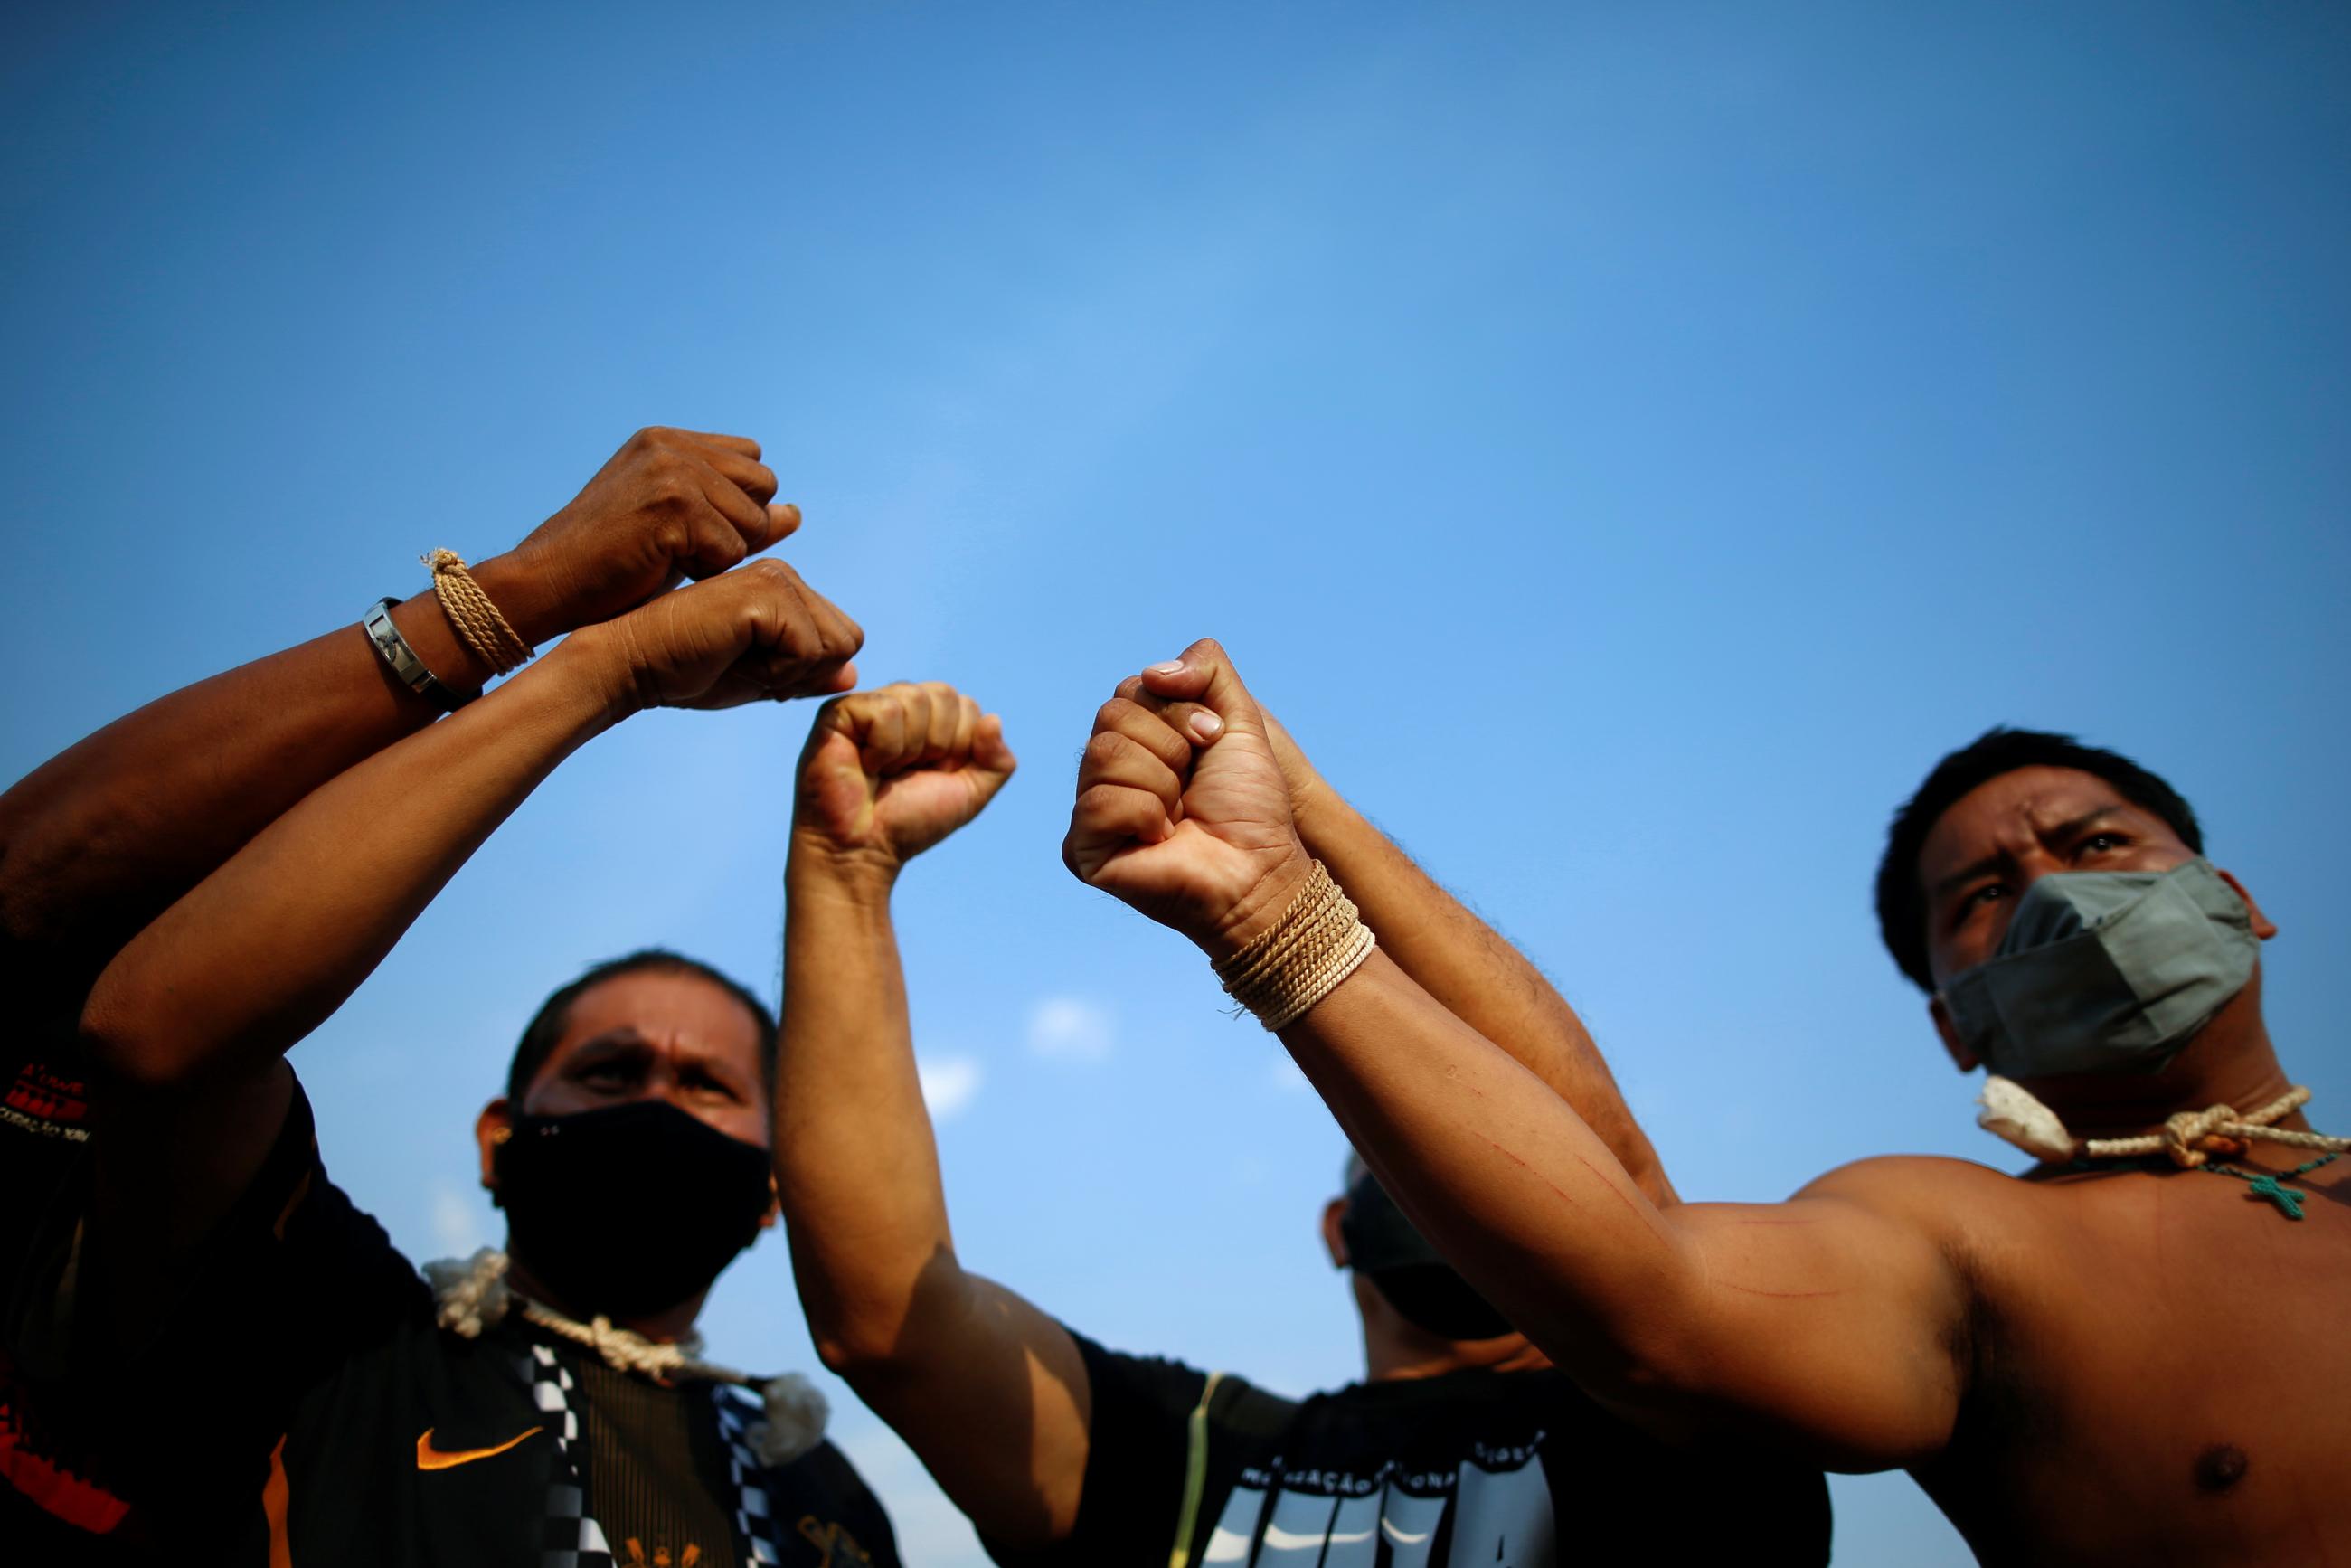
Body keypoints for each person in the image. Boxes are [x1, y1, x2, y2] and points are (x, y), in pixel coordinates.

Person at [1062, 639, 2351, 1567]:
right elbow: (1643, 1267)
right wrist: (1273, 906)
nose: (2057, 896)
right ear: (1954, 1021)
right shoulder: (1958, 1248)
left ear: (2238, 896)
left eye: (2096, 844)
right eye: (1985, 896)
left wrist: (1315, 823)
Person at [0, 429, 896, 1564]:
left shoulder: (824, 1499)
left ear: (772, 1189)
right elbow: (156, 1033)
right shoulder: (341, 1336)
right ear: (498, 1138)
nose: (658, 1101)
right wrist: (597, 666)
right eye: (611, 1070)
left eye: (707, 1083)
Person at [774, 680, 1832, 1564]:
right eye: (1396, 1155)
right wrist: (843, 874)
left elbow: (1627, 1211)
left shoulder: (1693, 1403)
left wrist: (1296, 815)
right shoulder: (1195, 1453)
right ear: (1338, 1227)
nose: (1444, 1167)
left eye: (1448, 1138)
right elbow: (885, 1323)